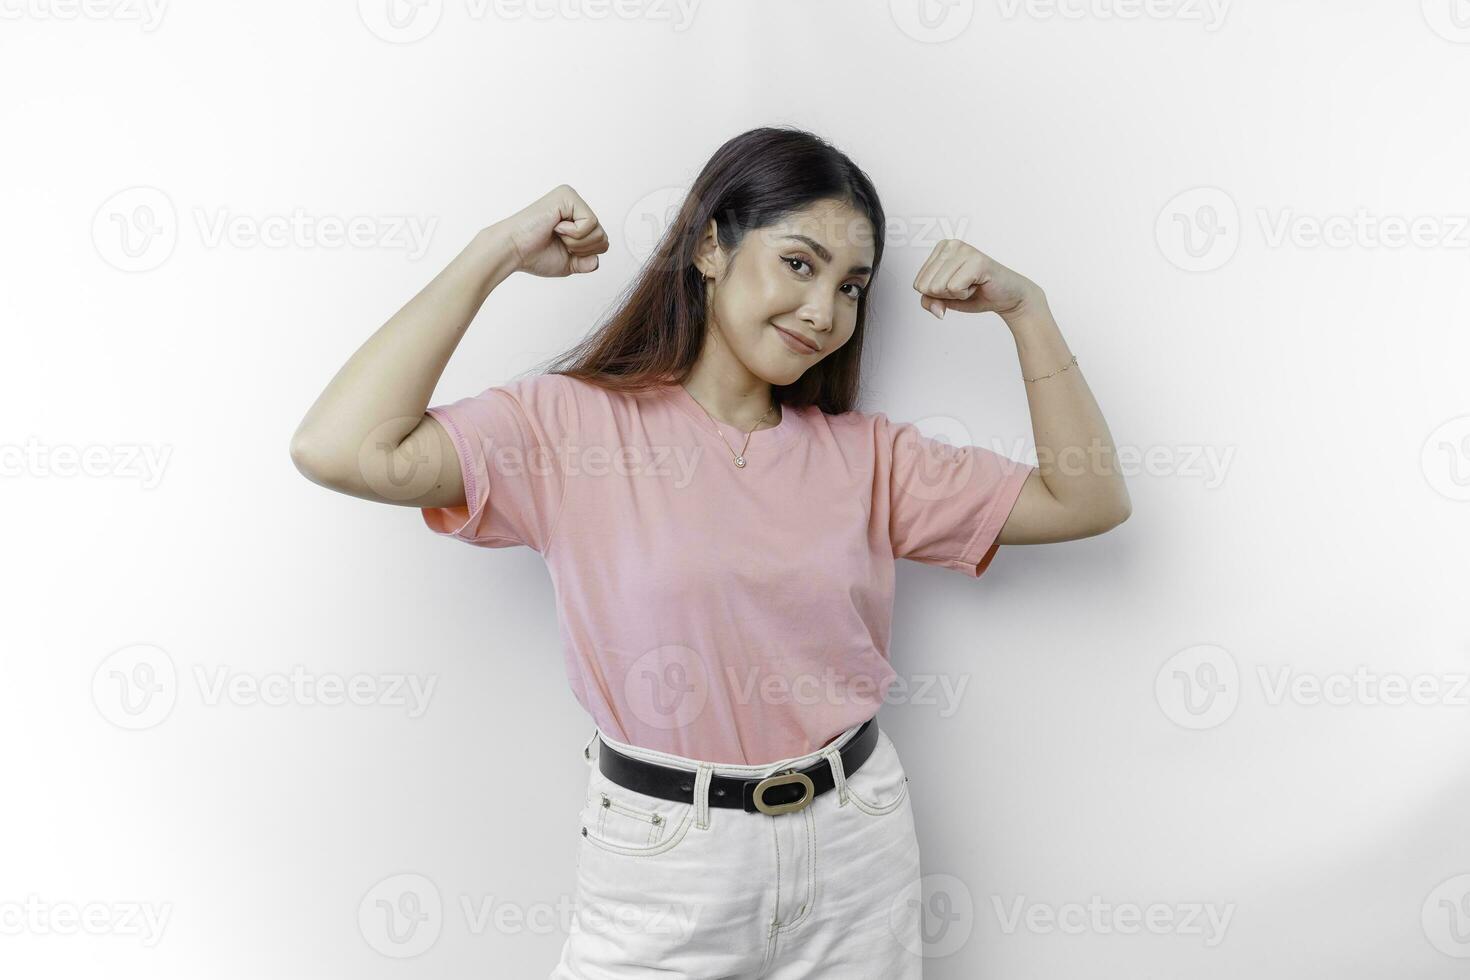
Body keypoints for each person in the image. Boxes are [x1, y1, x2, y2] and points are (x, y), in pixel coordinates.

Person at [289, 125, 1130, 978]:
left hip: (857, 845)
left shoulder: (867, 456)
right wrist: (493, 253)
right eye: (798, 264)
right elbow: (341, 446)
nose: (823, 311)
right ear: (709, 247)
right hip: (664, 860)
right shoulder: (569, 426)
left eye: (851, 287)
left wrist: (1028, 312)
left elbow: (1087, 498)